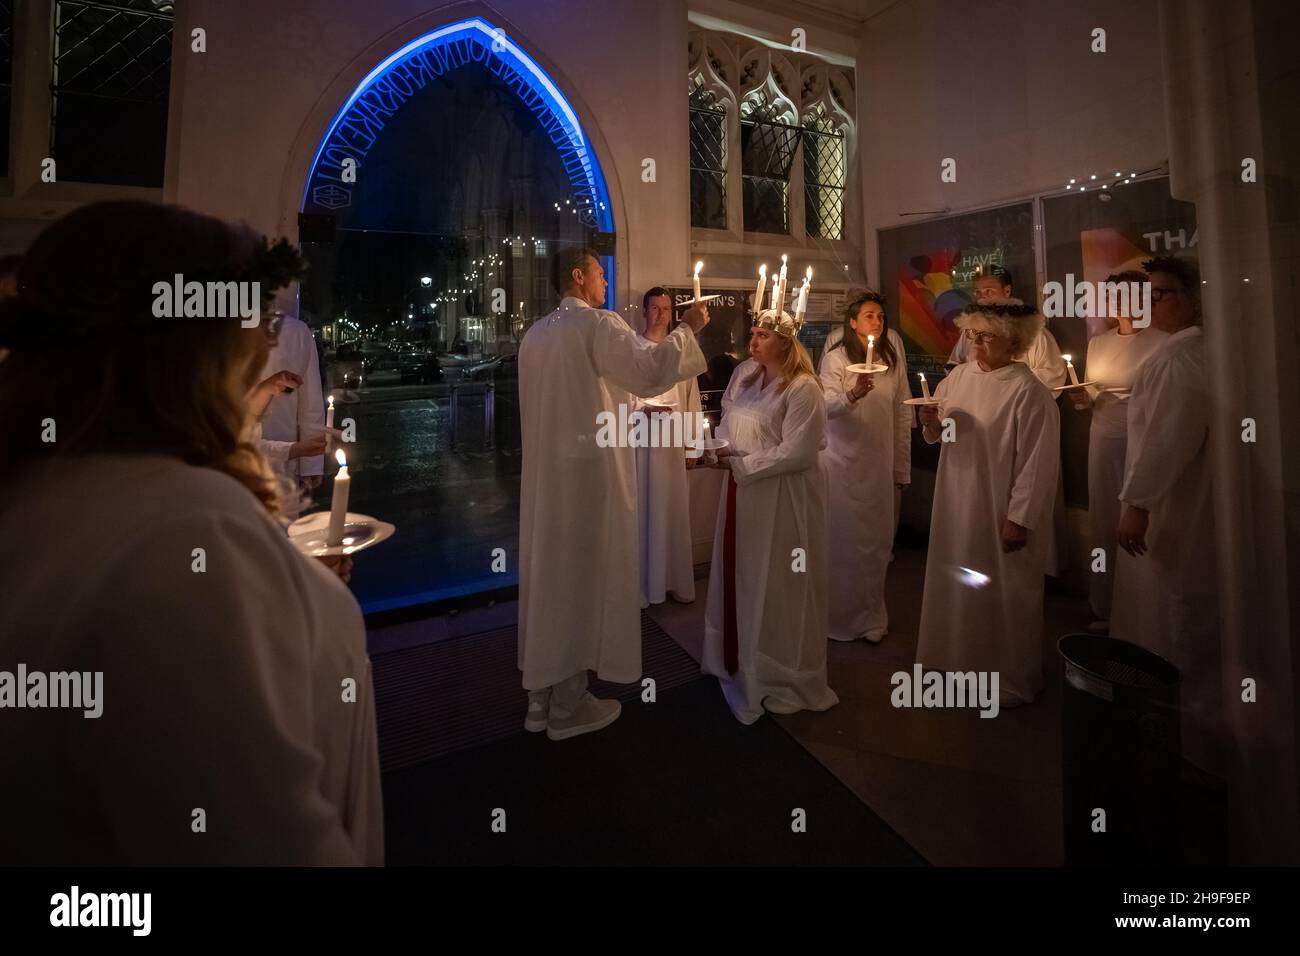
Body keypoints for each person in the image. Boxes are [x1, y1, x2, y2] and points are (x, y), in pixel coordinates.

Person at [0, 201, 382, 864]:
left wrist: (291, 584)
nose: (260, 360)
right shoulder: (185, 533)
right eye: (247, 347)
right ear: (195, 351)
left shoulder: (39, 483)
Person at [518, 249, 708, 740]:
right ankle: (569, 705)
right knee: (582, 580)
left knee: (551, 579)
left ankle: (540, 697)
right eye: (601, 273)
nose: (606, 281)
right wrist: (688, 328)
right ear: (579, 277)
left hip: (547, 480)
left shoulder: (535, 336)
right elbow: (647, 372)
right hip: (589, 480)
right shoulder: (597, 325)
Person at [916, 302, 1060, 706]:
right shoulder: (958, 377)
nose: (975, 343)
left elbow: (1038, 462)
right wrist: (930, 422)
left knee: (1003, 588)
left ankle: (1006, 675)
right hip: (956, 499)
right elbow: (943, 431)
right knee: (958, 580)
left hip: (998, 505)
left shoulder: (1029, 391)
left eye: (986, 336)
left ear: (1014, 340)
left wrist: (1020, 519)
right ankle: (957, 662)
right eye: (972, 334)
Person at [1111, 256, 1222, 775]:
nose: (1152, 303)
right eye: (1148, 294)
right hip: (1178, 502)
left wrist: (1138, 504)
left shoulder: (1182, 358)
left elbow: (1167, 439)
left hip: (1175, 507)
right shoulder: (1184, 351)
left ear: (1193, 298)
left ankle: (1192, 746)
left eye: (1164, 294)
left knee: (1179, 617)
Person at [701, 306, 839, 724]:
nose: (754, 340)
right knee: (744, 575)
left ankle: (782, 672)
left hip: (783, 498)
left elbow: (798, 450)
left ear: (785, 340)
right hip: (744, 495)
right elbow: (728, 422)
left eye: (763, 335)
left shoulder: (803, 388)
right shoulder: (745, 375)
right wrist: (715, 449)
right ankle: (739, 659)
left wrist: (739, 464)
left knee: (779, 582)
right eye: (754, 333)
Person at [1064, 270, 1169, 632]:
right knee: (1106, 516)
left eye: (1128, 295)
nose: (1119, 303)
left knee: (1141, 517)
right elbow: (1095, 393)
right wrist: (1083, 398)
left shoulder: (1162, 342)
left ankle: (1144, 611)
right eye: (1114, 296)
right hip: (1102, 436)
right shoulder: (1099, 342)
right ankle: (1106, 605)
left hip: (1140, 437)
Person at [818, 289, 912, 643]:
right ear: (853, 322)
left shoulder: (891, 358)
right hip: (841, 464)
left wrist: (901, 466)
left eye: (881, 316)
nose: (877, 321)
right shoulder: (836, 358)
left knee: (875, 544)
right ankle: (836, 614)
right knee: (843, 542)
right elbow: (825, 406)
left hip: (878, 462)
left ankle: (872, 614)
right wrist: (853, 394)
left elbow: (902, 409)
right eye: (869, 315)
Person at [635, 286, 704, 607]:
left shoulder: (681, 349)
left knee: (673, 511)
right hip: (642, 447)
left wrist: (693, 447)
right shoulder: (632, 348)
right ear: (644, 311)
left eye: (666, 309)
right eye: (655, 309)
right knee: (644, 512)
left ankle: (675, 581)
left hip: (673, 445)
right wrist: (641, 409)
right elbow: (621, 394)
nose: (661, 315)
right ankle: (644, 586)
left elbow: (690, 398)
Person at [945, 266, 1067, 389]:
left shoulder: (1033, 333)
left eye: (988, 291)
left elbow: (1052, 374)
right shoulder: (971, 331)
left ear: (1007, 291)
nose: (982, 297)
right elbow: (953, 364)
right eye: (978, 292)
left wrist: (1006, 383)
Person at [258, 286, 327, 498]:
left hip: (282, 462)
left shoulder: (296, 332)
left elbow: (310, 402)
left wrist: (311, 464)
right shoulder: (218, 331)